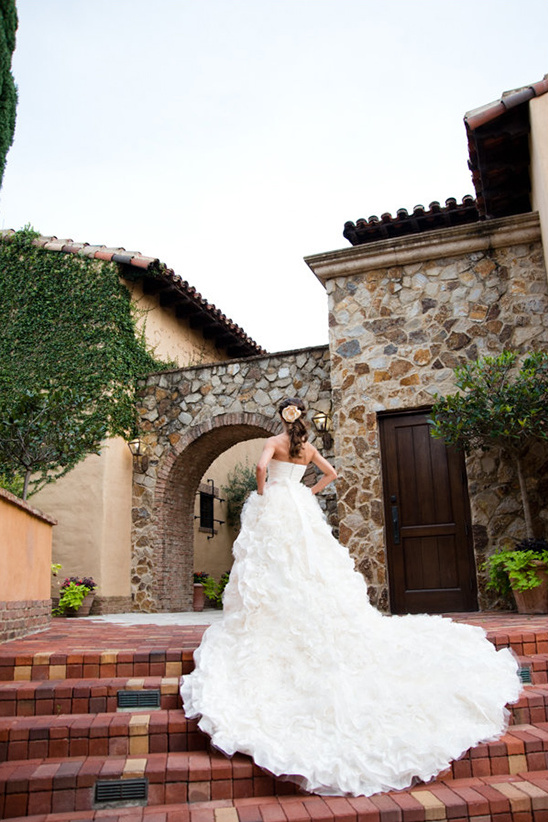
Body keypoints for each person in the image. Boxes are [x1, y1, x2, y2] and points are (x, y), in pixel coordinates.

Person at [180, 397, 521, 797]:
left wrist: (264, 491)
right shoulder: (306, 447)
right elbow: (333, 474)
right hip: (299, 504)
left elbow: (259, 468)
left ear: (281, 416)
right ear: (302, 418)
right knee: (309, 559)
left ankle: (273, 616)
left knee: (271, 560)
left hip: (275, 503)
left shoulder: (273, 441)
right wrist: (307, 491)